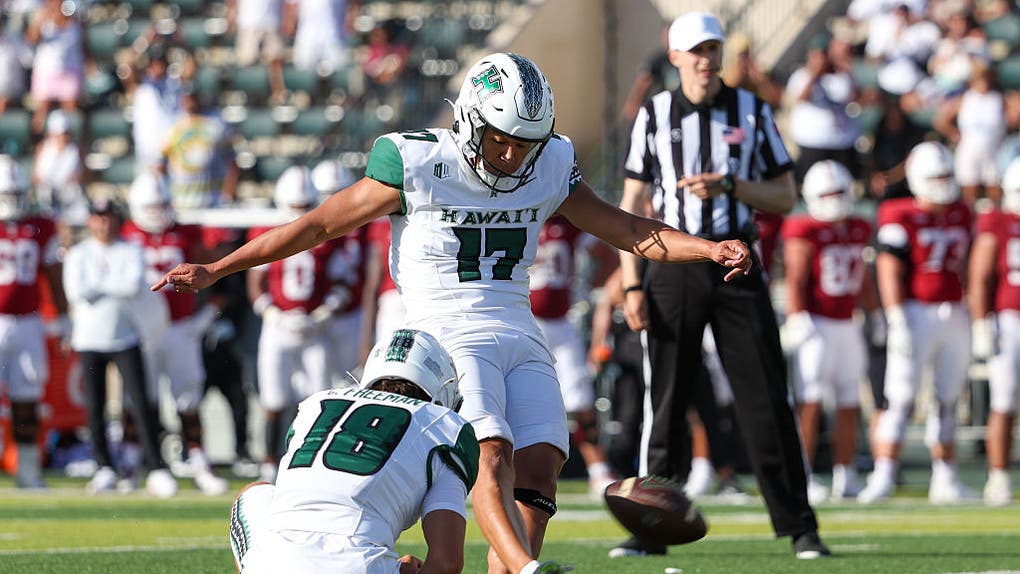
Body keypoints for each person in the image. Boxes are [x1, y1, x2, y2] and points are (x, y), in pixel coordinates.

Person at [154, 51, 751, 574]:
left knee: (542, 467)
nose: (514, 154)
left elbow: (624, 227)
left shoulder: (549, 162)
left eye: (525, 142)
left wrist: (706, 249)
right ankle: (526, 568)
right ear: (470, 120)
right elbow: (316, 225)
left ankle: (512, 568)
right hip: (444, 331)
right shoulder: (416, 163)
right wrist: (219, 269)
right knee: (490, 451)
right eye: (501, 139)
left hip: (519, 325)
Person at [616, 12, 828, 559]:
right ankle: (650, 528)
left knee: (765, 398)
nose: (706, 58)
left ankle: (800, 525)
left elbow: (784, 195)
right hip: (671, 261)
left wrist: (733, 185)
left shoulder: (751, 109)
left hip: (736, 260)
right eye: (696, 49)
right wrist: (632, 284)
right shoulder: (655, 113)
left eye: (713, 47)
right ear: (676, 55)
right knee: (665, 400)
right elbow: (633, 205)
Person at [229, 328, 477, 574]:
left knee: (254, 494)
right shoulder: (445, 427)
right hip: (357, 566)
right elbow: (446, 562)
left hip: (272, 564)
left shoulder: (316, 404)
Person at [857, 141, 975, 504]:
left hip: (953, 311)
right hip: (914, 311)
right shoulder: (898, 213)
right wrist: (894, 317)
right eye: (937, 176)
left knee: (948, 396)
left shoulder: (960, 211)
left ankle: (946, 477)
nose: (944, 182)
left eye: (947, 175)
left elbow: (970, 261)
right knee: (900, 397)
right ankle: (883, 475)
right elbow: (889, 268)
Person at [121, 171, 229, 496]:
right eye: (150, 206)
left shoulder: (187, 232)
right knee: (138, 398)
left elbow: (215, 269)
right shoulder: (126, 235)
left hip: (181, 328)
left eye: (161, 205)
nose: (156, 212)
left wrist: (208, 314)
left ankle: (198, 462)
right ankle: (130, 463)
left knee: (188, 397)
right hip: (142, 330)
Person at [63, 198, 178, 498]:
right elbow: (77, 292)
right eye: (98, 217)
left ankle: (155, 468)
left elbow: (133, 286)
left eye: (109, 217)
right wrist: (111, 285)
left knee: (141, 403)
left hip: (125, 337)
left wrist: (100, 285)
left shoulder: (131, 249)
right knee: (95, 406)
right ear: (90, 221)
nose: (104, 223)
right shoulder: (79, 253)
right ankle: (104, 467)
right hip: (89, 339)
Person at [779, 160, 879, 504]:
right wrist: (797, 314)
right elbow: (796, 275)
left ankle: (845, 473)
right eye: (829, 193)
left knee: (850, 401)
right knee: (811, 402)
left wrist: (874, 312)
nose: (836, 199)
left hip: (847, 322)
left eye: (840, 192)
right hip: (817, 323)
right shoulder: (803, 228)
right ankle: (804, 474)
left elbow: (862, 275)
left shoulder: (857, 226)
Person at [247, 165, 351, 483]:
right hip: (278, 327)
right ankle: (268, 460)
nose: (300, 212)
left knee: (318, 397)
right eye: (296, 206)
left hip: (313, 328)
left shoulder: (328, 237)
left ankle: (313, 458)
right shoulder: (267, 231)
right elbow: (255, 281)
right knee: (273, 398)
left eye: (306, 206)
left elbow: (343, 283)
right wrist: (271, 312)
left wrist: (324, 312)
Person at [530, 215, 617, 497]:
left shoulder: (569, 222)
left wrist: (587, 289)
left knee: (581, 400)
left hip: (561, 322)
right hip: (522, 320)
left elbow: (608, 257)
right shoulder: (513, 212)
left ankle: (598, 470)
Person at [0, 154, 67, 488]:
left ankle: (27, 469)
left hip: (27, 321)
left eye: (16, 195)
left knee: (26, 398)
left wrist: (65, 315)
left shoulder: (40, 226)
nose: (12, 202)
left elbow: (54, 275)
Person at [968, 157, 1020, 506]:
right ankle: (998, 477)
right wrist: (981, 320)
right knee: (1004, 400)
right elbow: (981, 274)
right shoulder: (998, 222)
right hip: (1010, 320)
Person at [159, 84, 238, 210]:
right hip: (180, 202)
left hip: (212, 200)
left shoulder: (216, 123)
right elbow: (160, 165)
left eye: (192, 97)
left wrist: (228, 192)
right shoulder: (171, 125)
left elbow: (231, 162)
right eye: (186, 98)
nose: (189, 101)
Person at [24, 0, 87, 135]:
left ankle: (71, 146)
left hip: (70, 73)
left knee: (71, 111)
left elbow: (83, 46)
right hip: (47, 73)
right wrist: (41, 19)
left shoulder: (76, 21)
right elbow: (31, 39)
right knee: (41, 111)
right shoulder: (43, 20)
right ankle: (41, 145)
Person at [32, 110, 87, 228]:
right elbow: (36, 177)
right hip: (47, 198)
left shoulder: (77, 149)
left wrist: (74, 180)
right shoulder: (42, 148)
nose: (64, 137)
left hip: (71, 198)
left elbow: (84, 175)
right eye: (60, 134)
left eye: (66, 133)